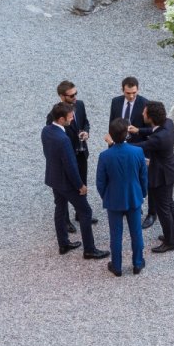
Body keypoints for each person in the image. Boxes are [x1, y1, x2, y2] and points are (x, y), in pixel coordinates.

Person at [41, 102, 109, 260]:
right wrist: (80, 185)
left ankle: (63, 243)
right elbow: (71, 166)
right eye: (70, 117)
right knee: (85, 211)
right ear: (61, 119)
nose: (72, 120)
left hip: (53, 178)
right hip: (66, 183)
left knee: (60, 208)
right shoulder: (63, 140)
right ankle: (89, 249)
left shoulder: (46, 131)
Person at [128, 101, 174, 252]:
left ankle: (170, 242)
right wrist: (139, 130)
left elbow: (141, 147)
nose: (142, 114)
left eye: (144, 113)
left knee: (163, 209)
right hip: (170, 171)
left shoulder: (159, 138)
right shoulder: (168, 123)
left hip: (161, 176)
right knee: (169, 204)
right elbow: (153, 131)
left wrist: (118, 144)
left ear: (151, 117)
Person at [96, 119, 148, 277]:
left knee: (115, 235)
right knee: (136, 233)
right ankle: (137, 263)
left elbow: (100, 182)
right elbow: (143, 177)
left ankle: (117, 266)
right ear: (126, 134)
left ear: (110, 135)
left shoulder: (104, 156)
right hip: (133, 197)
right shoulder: (137, 152)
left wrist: (106, 196)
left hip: (114, 200)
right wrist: (142, 194)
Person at [46, 80, 98, 233]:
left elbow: (85, 122)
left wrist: (85, 132)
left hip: (81, 152)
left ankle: (80, 213)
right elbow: (53, 137)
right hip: (67, 156)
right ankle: (66, 220)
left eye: (76, 93)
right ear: (62, 97)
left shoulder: (80, 105)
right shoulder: (53, 116)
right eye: (71, 96)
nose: (75, 97)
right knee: (66, 188)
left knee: (82, 181)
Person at [109, 77, 155, 228]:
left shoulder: (145, 104)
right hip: (120, 146)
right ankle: (130, 205)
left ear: (138, 90)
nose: (131, 96)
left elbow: (153, 130)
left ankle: (152, 213)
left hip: (139, 148)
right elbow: (112, 123)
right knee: (125, 176)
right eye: (128, 93)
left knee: (145, 180)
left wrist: (138, 130)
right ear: (122, 90)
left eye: (134, 92)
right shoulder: (115, 102)